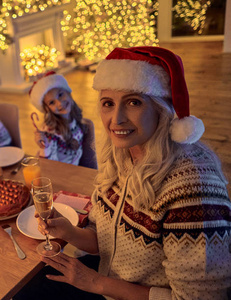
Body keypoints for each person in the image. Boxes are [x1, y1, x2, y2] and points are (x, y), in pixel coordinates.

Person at [16, 47, 231, 300]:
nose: (115, 119)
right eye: (108, 103)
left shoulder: (193, 187)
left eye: (133, 102)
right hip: (106, 280)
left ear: (162, 109)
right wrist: (69, 233)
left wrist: (96, 283)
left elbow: (197, 298)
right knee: (22, 290)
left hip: (108, 287)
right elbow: (106, 239)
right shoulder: (120, 155)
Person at [29, 71, 97, 168]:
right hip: (61, 174)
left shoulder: (76, 120)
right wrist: (45, 147)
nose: (59, 103)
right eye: (52, 102)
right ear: (47, 108)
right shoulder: (51, 132)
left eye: (60, 95)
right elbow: (50, 166)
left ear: (68, 92)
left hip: (77, 171)